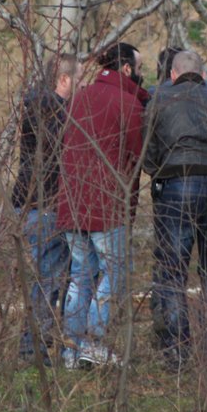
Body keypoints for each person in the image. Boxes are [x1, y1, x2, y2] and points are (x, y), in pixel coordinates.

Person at [143, 50, 207, 372]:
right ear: (203, 75)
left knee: (172, 274)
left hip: (177, 187)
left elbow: (148, 154)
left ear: (172, 74)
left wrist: (162, 173)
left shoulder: (159, 100)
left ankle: (177, 353)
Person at [57, 42, 148, 368]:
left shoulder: (76, 100)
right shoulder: (128, 104)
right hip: (107, 207)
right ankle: (92, 343)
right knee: (115, 273)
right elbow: (139, 159)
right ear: (126, 69)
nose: (142, 74)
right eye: (139, 68)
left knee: (80, 276)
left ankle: (71, 349)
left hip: (71, 204)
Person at [14, 53, 82, 365]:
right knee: (50, 279)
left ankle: (39, 344)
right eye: (78, 77)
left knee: (53, 277)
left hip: (37, 203)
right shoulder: (50, 111)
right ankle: (32, 349)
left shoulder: (41, 107)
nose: (82, 85)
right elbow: (59, 153)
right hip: (44, 204)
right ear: (64, 79)